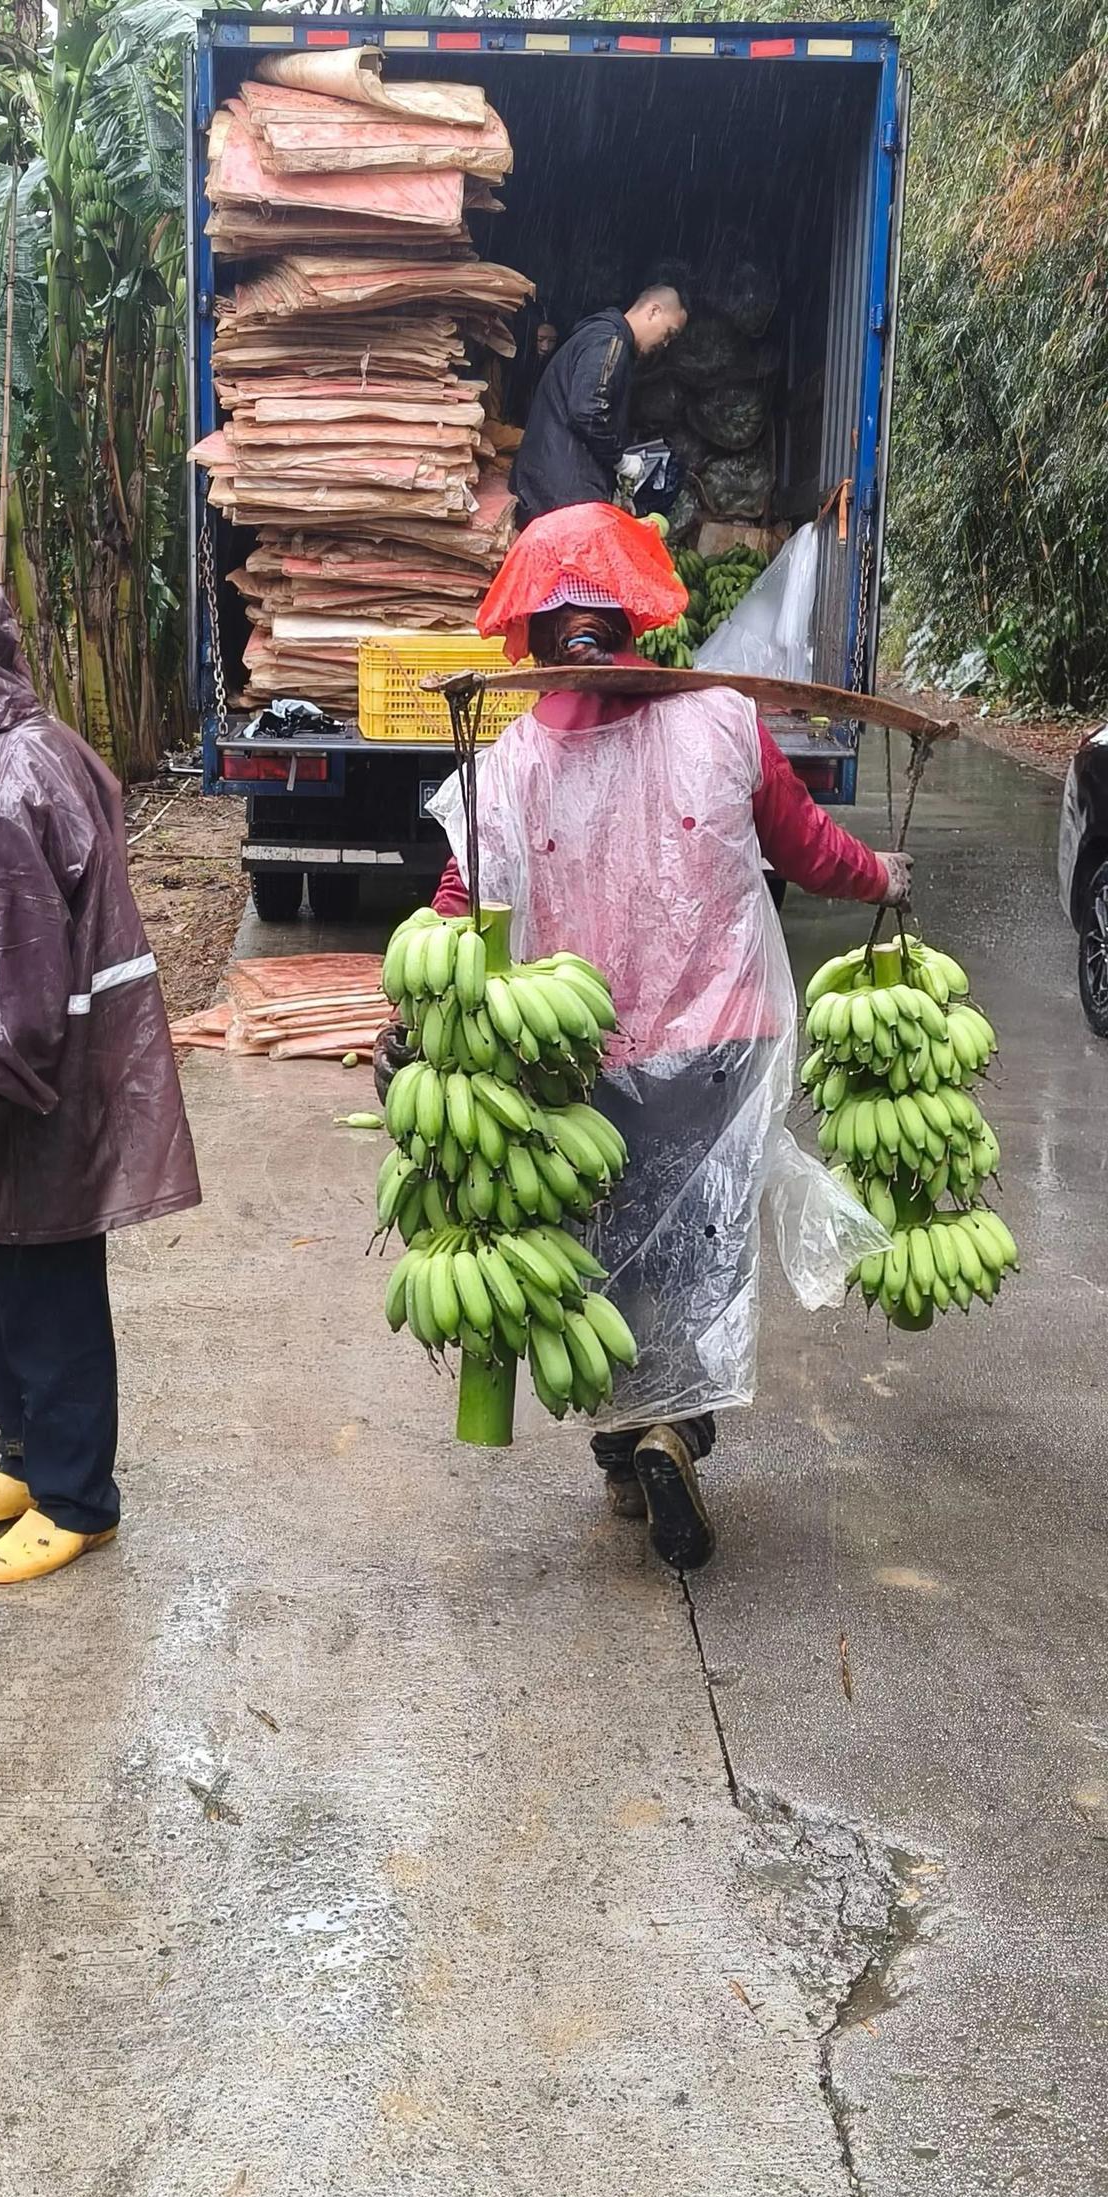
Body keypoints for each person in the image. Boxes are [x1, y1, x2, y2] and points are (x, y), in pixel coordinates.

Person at [384, 504, 910, 1572]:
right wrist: (880, 877)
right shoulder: (719, 718)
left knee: (601, 1256)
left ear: (528, 636)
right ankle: (676, 1427)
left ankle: (625, 1445)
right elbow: (804, 845)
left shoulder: (514, 758)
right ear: (635, 620)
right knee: (697, 1253)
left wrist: (399, 1009)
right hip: (718, 1044)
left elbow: (457, 900)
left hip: (573, 1057)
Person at [0, 544, 200, 1586]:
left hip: (29, 1089)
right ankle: (24, 1459)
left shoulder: (7, 783)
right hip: (6, 1087)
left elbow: (11, 1004)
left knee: (48, 1289)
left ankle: (75, 1497)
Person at [510, 285, 687, 530]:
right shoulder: (609, 340)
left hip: (553, 483)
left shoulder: (602, 337)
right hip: (560, 491)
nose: (665, 343)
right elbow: (588, 411)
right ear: (653, 311)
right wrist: (619, 460)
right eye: (668, 333)